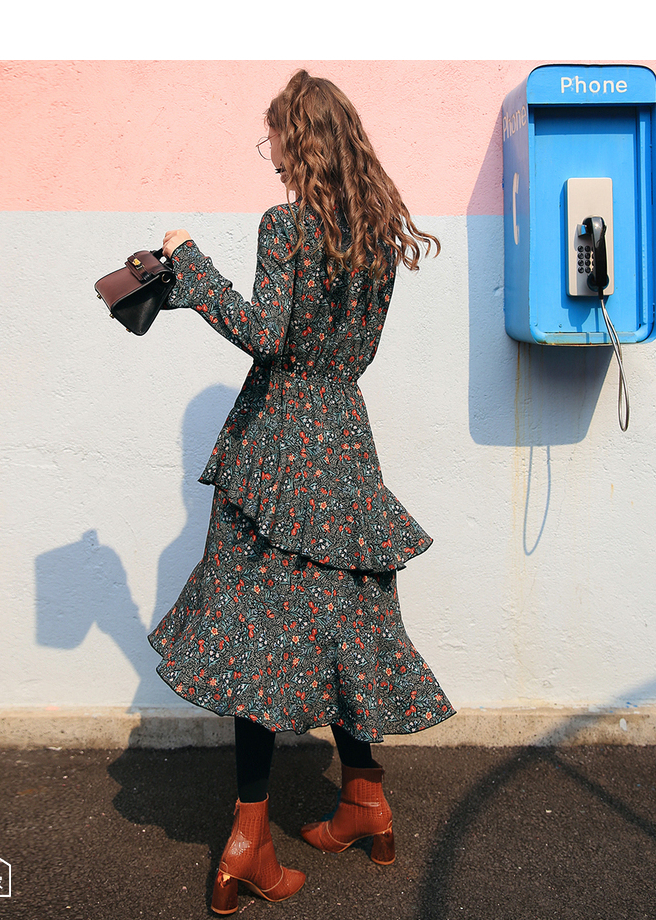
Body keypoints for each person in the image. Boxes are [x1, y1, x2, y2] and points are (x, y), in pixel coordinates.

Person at [149, 69, 455, 915]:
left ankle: (248, 842)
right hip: (345, 441)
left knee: (257, 632)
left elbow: (264, 334)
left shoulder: (283, 224)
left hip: (278, 446)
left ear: (300, 139)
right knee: (347, 622)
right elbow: (352, 351)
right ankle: (366, 803)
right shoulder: (377, 237)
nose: (272, 153)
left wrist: (188, 263)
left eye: (274, 137)